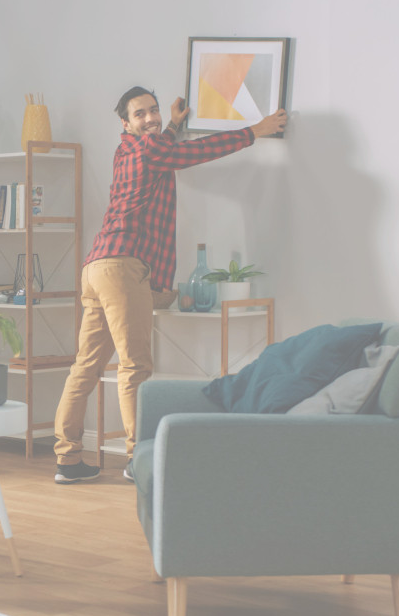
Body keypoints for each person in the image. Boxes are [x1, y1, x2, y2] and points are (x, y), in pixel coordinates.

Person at [53, 86, 286, 485]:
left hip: (97, 266)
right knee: (135, 366)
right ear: (125, 124)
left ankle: (67, 459)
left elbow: (165, 148)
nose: (150, 118)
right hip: (123, 267)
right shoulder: (147, 150)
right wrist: (256, 130)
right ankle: (137, 459)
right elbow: (197, 152)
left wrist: (176, 124)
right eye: (140, 114)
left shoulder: (132, 151)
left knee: (86, 366)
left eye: (154, 110)